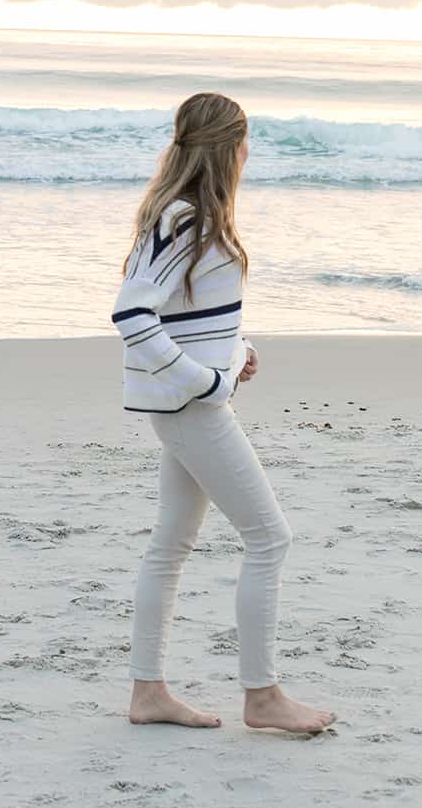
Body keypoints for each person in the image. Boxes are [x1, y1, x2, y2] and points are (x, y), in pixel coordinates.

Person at [111, 91, 337, 734]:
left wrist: (238, 354)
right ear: (230, 147)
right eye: (246, 141)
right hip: (193, 410)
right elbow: (132, 313)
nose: (249, 152)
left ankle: (148, 692)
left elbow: (192, 314)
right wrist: (204, 381)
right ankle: (262, 697)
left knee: (171, 544)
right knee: (270, 538)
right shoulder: (184, 220)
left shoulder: (185, 215)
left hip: (188, 404)